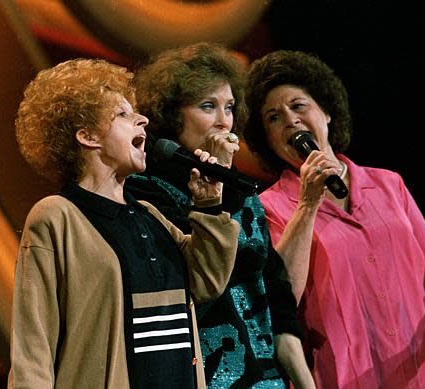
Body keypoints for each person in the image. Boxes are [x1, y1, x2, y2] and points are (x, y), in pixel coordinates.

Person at [242, 49, 425, 389]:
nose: (290, 120)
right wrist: (308, 203)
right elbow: (282, 301)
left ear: (326, 113)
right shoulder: (269, 207)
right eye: (273, 118)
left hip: (422, 376)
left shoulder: (389, 184)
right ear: (267, 140)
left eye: (298, 106)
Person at [7, 58, 240, 389]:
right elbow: (33, 347)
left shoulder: (148, 214)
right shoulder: (56, 216)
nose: (143, 120)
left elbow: (206, 280)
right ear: (87, 136)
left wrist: (208, 202)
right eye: (123, 115)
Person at [125, 42, 316, 388]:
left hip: (267, 380)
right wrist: (216, 187)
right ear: (171, 115)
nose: (223, 120)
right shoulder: (146, 192)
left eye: (229, 107)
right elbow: (200, 281)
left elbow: (276, 299)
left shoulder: (245, 196)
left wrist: (304, 381)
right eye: (207, 106)